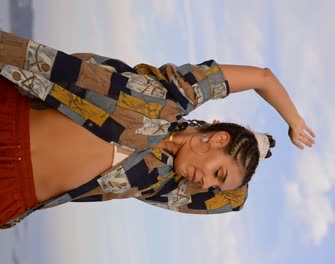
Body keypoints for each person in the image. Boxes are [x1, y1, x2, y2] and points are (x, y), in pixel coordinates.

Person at [0, 31, 315, 229]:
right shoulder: (170, 96)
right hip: (10, 116)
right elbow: (262, 77)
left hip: (10, 194)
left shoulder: (160, 183)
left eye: (215, 185)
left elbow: (236, 199)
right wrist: (294, 120)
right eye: (217, 173)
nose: (206, 184)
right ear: (219, 138)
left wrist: (258, 150)